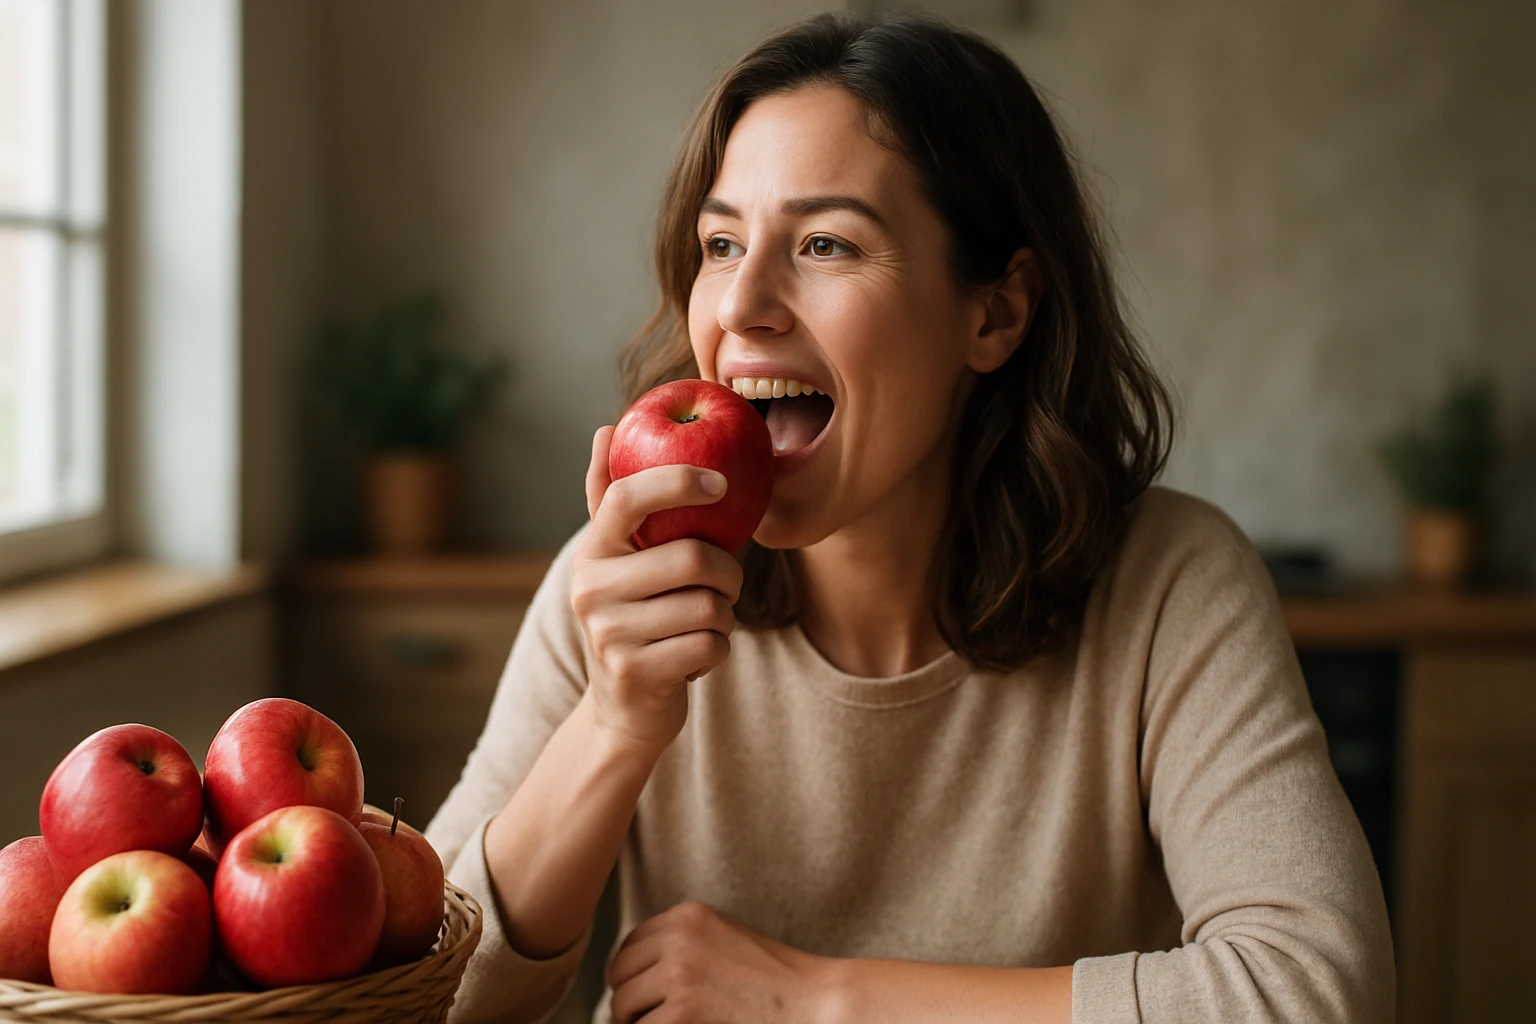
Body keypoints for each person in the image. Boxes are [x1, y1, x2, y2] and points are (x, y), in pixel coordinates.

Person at [425, 11, 1395, 1024]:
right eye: (721, 242)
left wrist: (822, 1000)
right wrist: (613, 725)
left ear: (996, 313)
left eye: (826, 243)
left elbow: (1317, 993)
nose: (743, 303)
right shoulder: (625, 581)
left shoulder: (1168, 584)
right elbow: (423, 997)